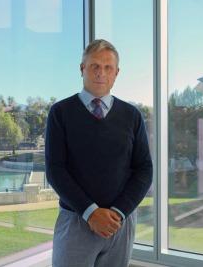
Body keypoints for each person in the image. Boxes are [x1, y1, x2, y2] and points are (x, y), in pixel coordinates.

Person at [45, 39, 153, 266]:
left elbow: (144, 169)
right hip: (76, 220)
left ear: (116, 73)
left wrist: (118, 212)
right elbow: (55, 169)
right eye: (94, 66)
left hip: (119, 224)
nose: (100, 73)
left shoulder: (132, 115)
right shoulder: (60, 112)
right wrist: (91, 213)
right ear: (82, 69)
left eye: (107, 68)